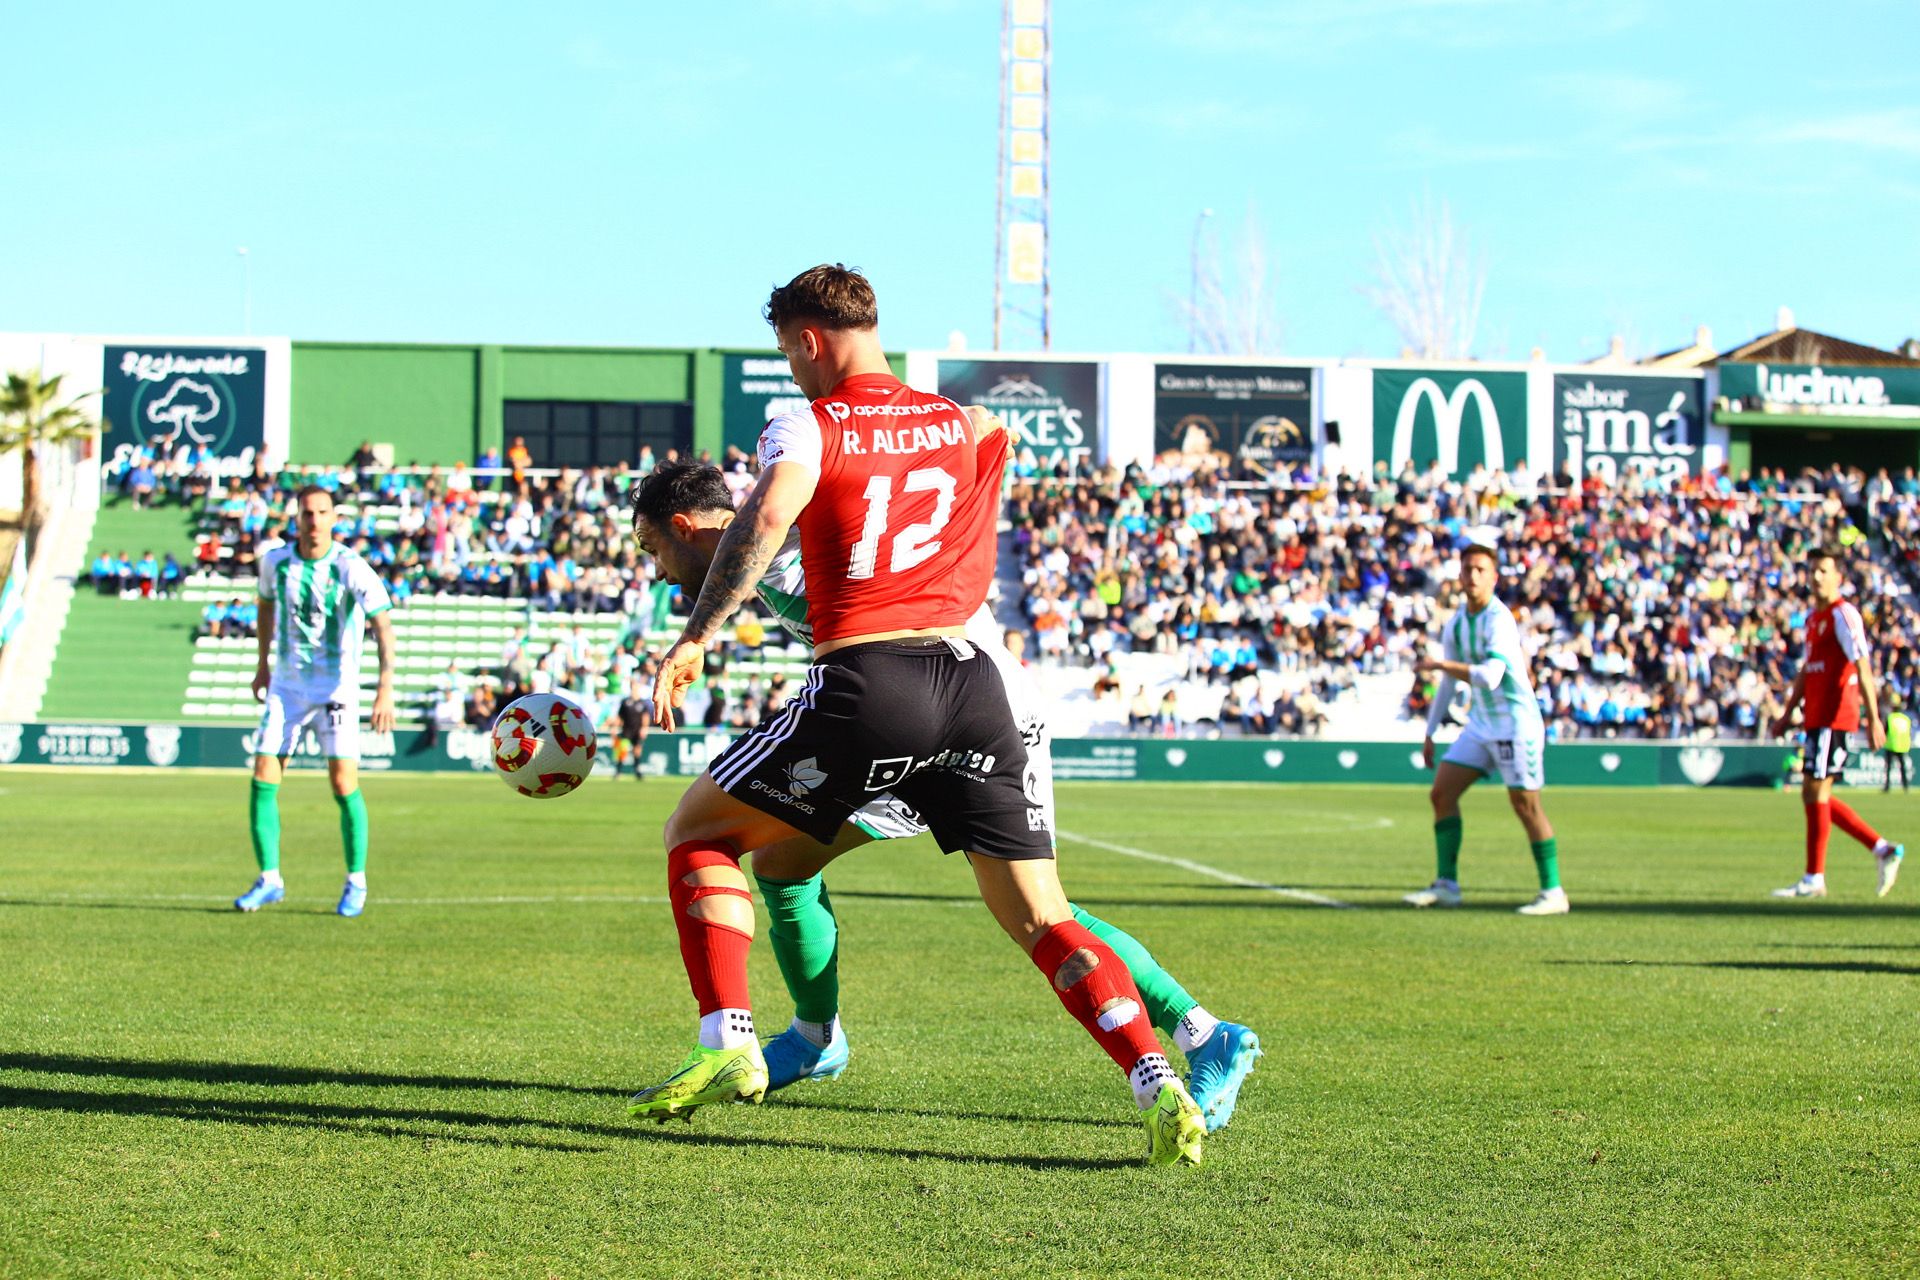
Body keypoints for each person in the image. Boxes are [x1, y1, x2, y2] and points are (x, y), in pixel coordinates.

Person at [629, 265, 1208, 1164]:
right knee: (1040, 917)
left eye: (790, 353)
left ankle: (728, 1040)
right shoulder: (948, 418)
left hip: (878, 680)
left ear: (810, 340)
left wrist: (698, 636)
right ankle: (1155, 1078)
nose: (791, 371)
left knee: (696, 831)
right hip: (977, 685)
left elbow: (772, 512)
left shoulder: (808, 422)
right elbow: (991, 431)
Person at [631, 460, 1260, 1131]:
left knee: (1040, 908)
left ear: (684, 527)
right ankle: (816, 1039)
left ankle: (1201, 1030)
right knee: (785, 862)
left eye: (653, 550)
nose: (658, 571)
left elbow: (967, 433)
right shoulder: (756, 551)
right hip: (915, 705)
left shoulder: (785, 518)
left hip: (979, 706)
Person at [236, 485, 398, 918]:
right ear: (297, 517)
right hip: (287, 685)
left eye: (321, 513)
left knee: (343, 782)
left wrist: (384, 687)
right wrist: (263, 664)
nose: (313, 521)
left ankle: (356, 881)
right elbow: (266, 608)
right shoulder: (276, 563)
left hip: (336, 688)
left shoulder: (350, 567)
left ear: (333, 517)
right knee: (263, 773)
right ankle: (270, 879)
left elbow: (383, 626)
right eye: (307, 513)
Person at [1407, 538, 1568, 915]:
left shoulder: (1499, 620)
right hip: (1481, 725)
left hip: (1516, 725)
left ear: (1494, 577)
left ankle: (1553, 892)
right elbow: (1448, 683)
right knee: (1441, 793)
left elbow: (1491, 677)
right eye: (1467, 569)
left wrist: (1444, 666)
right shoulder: (1458, 625)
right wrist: (1430, 731)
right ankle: (1447, 884)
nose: (1473, 576)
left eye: (1481, 570)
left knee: (1525, 806)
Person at [1767, 549, 1903, 899]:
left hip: (1834, 717)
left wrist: (1874, 719)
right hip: (1815, 716)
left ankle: (1816, 877)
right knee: (1813, 792)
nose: (1815, 577)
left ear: (1837, 576)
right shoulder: (1814, 618)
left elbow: (1863, 665)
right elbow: (1806, 671)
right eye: (1811, 570)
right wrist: (1787, 713)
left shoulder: (1844, 615)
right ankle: (1881, 849)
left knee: (1816, 792)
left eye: (1823, 570)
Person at [1883, 696, 1911, 795]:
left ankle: (1887, 786)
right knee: (1902, 768)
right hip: (1902, 746)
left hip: (1891, 745)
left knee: (1888, 768)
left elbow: (1885, 731)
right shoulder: (1906, 719)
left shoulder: (1890, 718)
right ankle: (1905, 786)